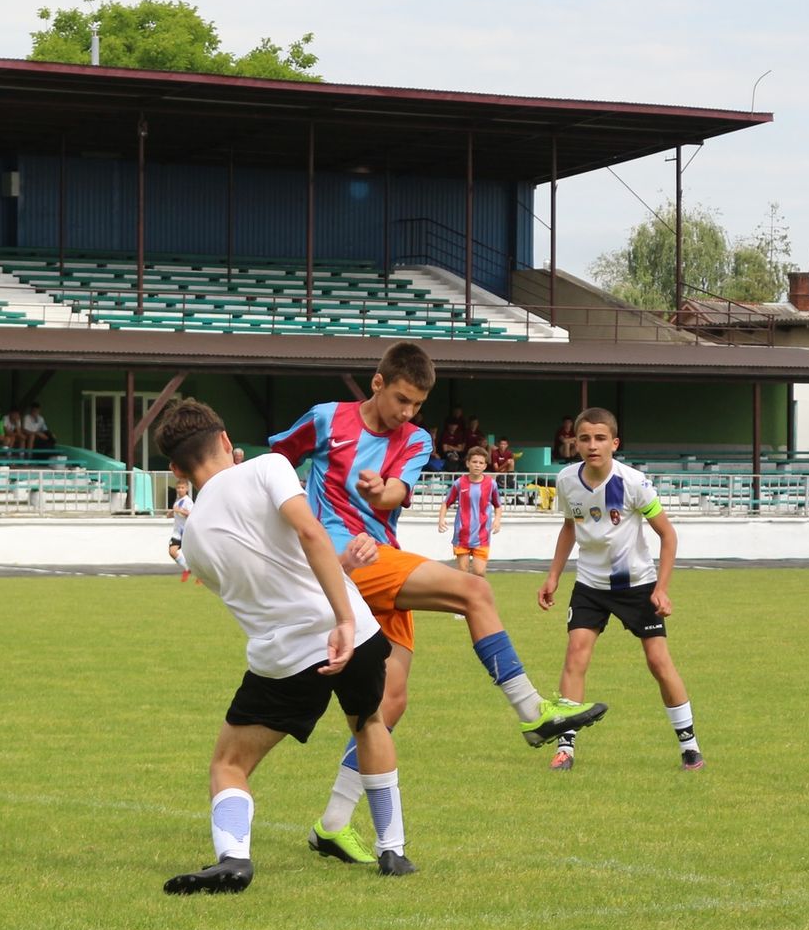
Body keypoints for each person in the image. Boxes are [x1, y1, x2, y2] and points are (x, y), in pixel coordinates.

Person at [270, 342, 607, 863]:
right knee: (473, 590)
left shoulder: (417, 438)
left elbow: (393, 493)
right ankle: (531, 711)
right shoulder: (325, 420)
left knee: (389, 706)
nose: (408, 413)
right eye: (401, 400)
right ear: (378, 383)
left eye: (417, 405)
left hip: (383, 558)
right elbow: (274, 466)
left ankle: (332, 825)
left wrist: (381, 489)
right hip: (345, 564)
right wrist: (298, 533)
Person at [154, 397, 412, 893]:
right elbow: (308, 534)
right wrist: (342, 606)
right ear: (227, 441)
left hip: (285, 658)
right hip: (353, 629)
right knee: (369, 722)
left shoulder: (193, 542)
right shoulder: (268, 466)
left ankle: (234, 858)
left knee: (230, 764)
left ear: (175, 470)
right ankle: (393, 850)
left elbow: (269, 589)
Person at [539, 409, 703, 773]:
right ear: (575, 442)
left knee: (659, 663)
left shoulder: (633, 483)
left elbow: (667, 534)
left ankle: (690, 747)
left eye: (600, 438)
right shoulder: (566, 480)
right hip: (589, 585)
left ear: (614, 443)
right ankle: (566, 747)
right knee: (575, 655)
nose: (591, 445)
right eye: (584, 438)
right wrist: (553, 576)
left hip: (637, 585)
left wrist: (661, 589)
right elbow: (570, 527)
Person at [438, 446, 500, 578]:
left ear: (485, 466)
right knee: (463, 573)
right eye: (474, 462)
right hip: (462, 534)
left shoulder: (491, 484)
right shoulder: (459, 483)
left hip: (482, 534)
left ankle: (478, 596)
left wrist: (497, 520)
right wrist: (441, 519)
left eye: (481, 463)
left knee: (479, 572)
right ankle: (463, 598)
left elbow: (498, 505)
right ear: (468, 463)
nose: (477, 465)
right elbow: (446, 503)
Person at [168, 477, 195, 582]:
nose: (180, 489)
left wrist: (181, 511)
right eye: (178, 487)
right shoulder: (177, 501)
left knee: (194, 555)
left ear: (187, 489)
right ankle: (188, 568)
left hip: (186, 532)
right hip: (177, 532)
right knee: (172, 552)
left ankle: (201, 574)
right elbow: (176, 513)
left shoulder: (188, 501)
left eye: (182, 487)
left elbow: (192, 515)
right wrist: (171, 513)